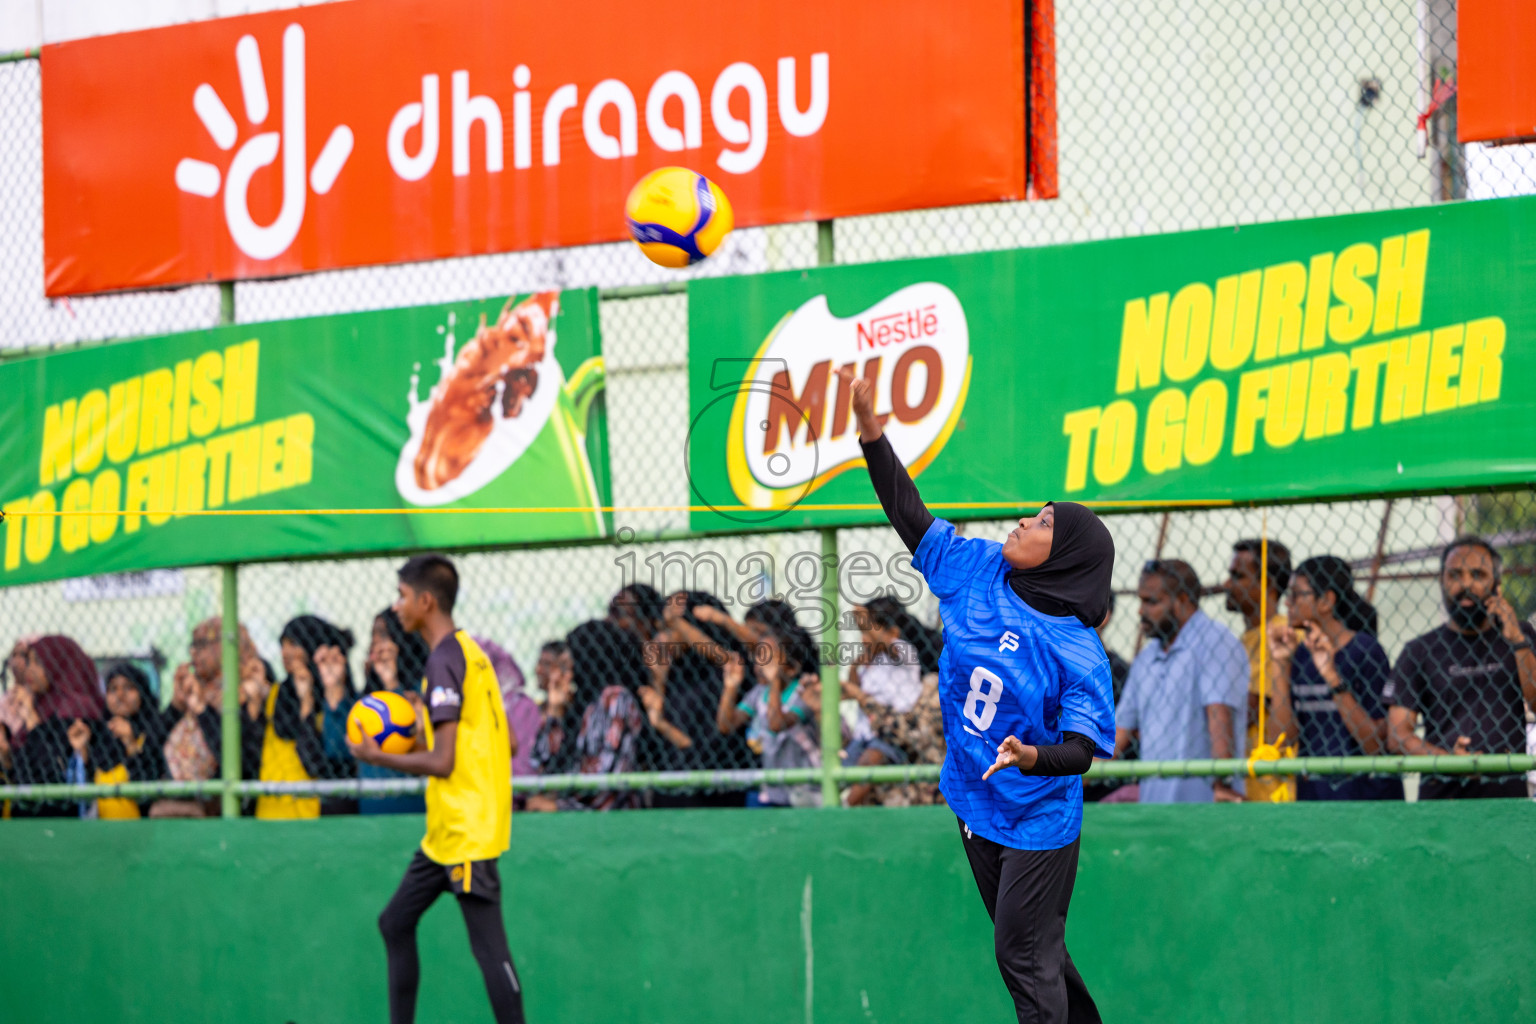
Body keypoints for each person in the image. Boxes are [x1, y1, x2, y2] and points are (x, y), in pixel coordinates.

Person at [842, 366, 1115, 1023]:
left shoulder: (1075, 647)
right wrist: (872, 433)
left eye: (1043, 522)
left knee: (1022, 956)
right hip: (971, 793)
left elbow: (1080, 751)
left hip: (1038, 815)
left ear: (1065, 556)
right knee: (1036, 952)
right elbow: (911, 515)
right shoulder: (977, 567)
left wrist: (1031, 757)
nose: (1023, 520)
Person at [350, 553, 525, 1024]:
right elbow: (504, 741)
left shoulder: (443, 661)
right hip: (445, 834)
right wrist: (421, 726)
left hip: (467, 831)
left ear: (426, 602)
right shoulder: (472, 653)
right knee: (394, 923)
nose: (397, 605)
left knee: (490, 949)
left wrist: (377, 755)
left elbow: (443, 761)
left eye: (402, 596)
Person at [1385, 536, 1536, 799]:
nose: (1465, 584)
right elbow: (1397, 735)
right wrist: (1450, 762)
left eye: (1478, 575)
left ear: (1496, 584)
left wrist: (1517, 641)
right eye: (1455, 575)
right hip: (1442, 802)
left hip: (1507, 803)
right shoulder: (1419, 650)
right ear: (1442, 582)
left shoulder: (1520, 637)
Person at [1266, 557, 1401, 801]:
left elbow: (1376, 747)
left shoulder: (1365, 651)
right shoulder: (1300, 655)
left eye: (1296, 594)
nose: (1287, 602)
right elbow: (1279, 741)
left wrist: (1332, 676)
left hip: (1365, 801)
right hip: (1315, 801)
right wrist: (1280, 664)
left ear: (1326, 601)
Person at [1115, 559, 1248, 803]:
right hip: (1154, 811)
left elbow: (1219, 718)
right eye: (1140, 600)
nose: (1140, 611)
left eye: (1151, 602)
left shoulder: (1215, 642)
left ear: (1184, 602)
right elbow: (1116, 737)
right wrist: (1065, 784)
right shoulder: (1146, 657)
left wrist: (1223, 785)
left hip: (1202, 811)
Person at [257, 615, 353, 820]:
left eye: (294, 644)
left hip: (311, 812)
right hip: (271, 812)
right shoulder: (275, 694)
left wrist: (307, 701)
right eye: (282, 645)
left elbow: (317, 763)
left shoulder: (334, 698)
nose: (286, 653)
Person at [717, 622, 823, 808]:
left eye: (769, 658)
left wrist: (775, 680)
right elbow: (727, 724)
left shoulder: (803, 694)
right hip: (774, 788)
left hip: (805, 788)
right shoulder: (759, 692)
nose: (759, 664)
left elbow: (776, 724)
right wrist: (731, 687)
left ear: (791, 668)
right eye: (758, 656)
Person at [1224, 538, 1296, 803]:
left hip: (1275, 790)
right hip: (1251, 786)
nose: (1226, 584)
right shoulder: (1245, 640)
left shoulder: (1282, 633)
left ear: (1270, 585)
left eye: (1238, 576)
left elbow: (1248, 707)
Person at [3, 636, 106, 816]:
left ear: (60, 664)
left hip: (61, 817)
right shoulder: (41, 705)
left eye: (38, 662)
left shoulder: (77, 709)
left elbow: (51, 772)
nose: (29, 669)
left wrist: (30, 717)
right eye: (29, 661)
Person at [65, 662, 170, 819]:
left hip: (144, 831)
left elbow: (146, 795)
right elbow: (84, 799)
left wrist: (130, 742)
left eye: (129, 687)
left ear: (142, 693)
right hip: (104, 833)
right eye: (113, 689)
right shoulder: (100, 736)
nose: (120, 695)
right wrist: (83, 750)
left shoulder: (153, 732)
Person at [359, 608, 430, 815]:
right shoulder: (367, 696)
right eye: (372, 635)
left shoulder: (423, 687)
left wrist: (392, 683)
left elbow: (409, 736)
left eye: (382, 634)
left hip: (409, 804)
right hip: (371, 807)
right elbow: (337, 748)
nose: (375, 642)